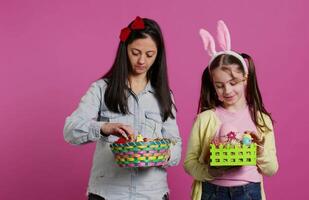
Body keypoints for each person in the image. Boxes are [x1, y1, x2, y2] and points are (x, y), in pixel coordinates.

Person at [64, 16, 182, 200]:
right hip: (107, 193)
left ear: (158, 55)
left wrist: (163, 154)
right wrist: (104, 128)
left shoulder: (165, 95)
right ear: (124, 49)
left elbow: (175, 142)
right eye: (135, 52)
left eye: (150, 54)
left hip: (152, 194)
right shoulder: (101, 89)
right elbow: (70, 131)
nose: (142, 61)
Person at [184, 20, 278, 200]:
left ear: (245, 79)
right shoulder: (205, 119)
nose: (227, 91)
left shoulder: (260, 119)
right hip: (212, 191)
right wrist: (211, 171)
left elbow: (271, 169)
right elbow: (190, 163)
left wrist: (259, 150)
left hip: (249, 192)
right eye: (219, 85)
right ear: (212, 86)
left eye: (233, 83)